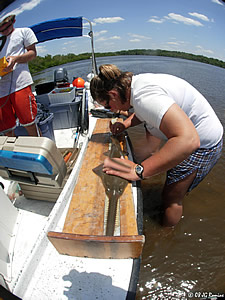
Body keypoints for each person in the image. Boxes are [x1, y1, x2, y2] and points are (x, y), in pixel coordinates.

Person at [90, 64, 223, 227]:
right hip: (189, 134)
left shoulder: (144, 97)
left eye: (108, 106)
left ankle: (166, 236)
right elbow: (145, 111)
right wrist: (125, 124)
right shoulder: (134, 86)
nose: (112, 110)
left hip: (202, 145)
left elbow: (189, 140)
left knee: (171, 197)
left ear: (113, 94)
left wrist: (138, 171)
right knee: (151, 157)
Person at [0, 14, 40, 136]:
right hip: (1, 90)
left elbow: (32, 53)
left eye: (6, 27)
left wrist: (15, 59)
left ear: (13, 21)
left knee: (29, 122)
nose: (4, 31)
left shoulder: (24, 32)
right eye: (1, 30)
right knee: (6, 128)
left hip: (20, 84)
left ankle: (40, 151)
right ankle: (12, 153)